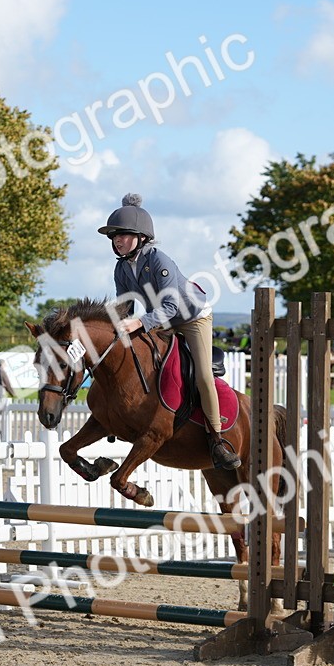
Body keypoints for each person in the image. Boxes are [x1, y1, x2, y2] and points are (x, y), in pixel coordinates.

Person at [101, 193, 239, 470]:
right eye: (114, 236)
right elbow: (124, 306)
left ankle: (217, 438)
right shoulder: (122, 268)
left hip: (191, 317)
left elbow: (171, 306)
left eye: (123, 235)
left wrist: (139, 323)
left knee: (202, 375)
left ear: (141, 237)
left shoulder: (160, 261)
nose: (117, 240)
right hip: (161, 318)